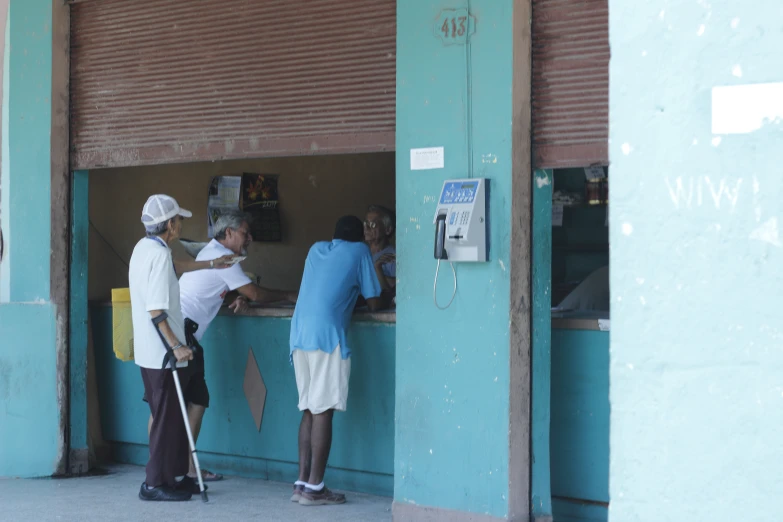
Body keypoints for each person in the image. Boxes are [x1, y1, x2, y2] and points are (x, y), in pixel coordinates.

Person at [146, 210, 298, 482]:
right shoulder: (225, 260)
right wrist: (288, 294)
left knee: (189, 401)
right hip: (179, 336)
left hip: (182, 334)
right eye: (244, 233)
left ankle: (181, 468)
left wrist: (240, 298)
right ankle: (163, 469)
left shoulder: (215, 255)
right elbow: (255, 292)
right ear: (228, 233)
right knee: (175, 403)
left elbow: (229, 290)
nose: (249, 238)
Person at [289, 216, 389, 506]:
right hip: (327, 336)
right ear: (359, 237)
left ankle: (301, 483)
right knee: (324, 410)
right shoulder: (359, 251)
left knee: (309, 407)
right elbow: (373, 301)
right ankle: (315, 488)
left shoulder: (316, 249)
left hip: (299, 334)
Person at [129, 194, 201, 501]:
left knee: (169, 417)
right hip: (163, 355)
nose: (181, 224)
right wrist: (176, 347)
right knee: (164, 420)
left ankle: (172, 476)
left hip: (150, 353)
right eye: (179, 220)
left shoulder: (145, 248)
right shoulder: (158, 256)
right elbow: (156, 309)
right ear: (170, 224)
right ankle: (154, 484)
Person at [364, 204, 396, 291]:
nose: (366, 228)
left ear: (388, 229)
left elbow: (392, 292)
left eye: (372, 224)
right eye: (366, 223)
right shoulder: (362, 252)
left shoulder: (392, 257)